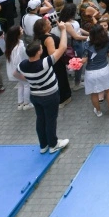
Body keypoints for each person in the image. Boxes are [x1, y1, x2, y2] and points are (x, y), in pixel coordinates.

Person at [18, 25, 71, 154]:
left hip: (35, 96)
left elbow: (16, 74)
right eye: (41, 48)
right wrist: (64, 30)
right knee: (51, 120)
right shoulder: (45, 63)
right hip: (50, 96)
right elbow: (63, 47)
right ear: (38, 52)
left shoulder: (23, 65)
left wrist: (31, 80)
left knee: (40, 119)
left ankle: (43, 145)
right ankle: (53, 144)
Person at [83, 24, 109, 118]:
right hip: (104, 69)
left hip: (90, 72)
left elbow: (84, 59)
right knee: (108, 90)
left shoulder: (87, 44)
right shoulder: (107, 42)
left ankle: (98, 111)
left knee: (94, 93)